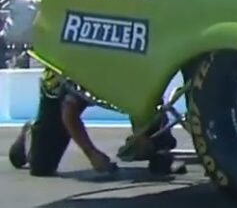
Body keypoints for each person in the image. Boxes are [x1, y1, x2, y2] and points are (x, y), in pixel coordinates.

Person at [8, 69, 179, 176]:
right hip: (59, 87)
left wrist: (144, 135)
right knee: (42, 167)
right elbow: (69, 114)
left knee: (159, 156)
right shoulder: (85, 72)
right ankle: (31, 132)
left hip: (115, 74)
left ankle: (157, 146)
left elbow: (150, 100)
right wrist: (91, 153)